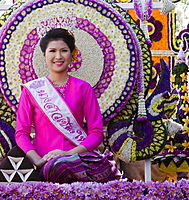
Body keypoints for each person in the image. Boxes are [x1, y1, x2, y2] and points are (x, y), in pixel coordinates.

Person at [15, 28, 121, 183]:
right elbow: (21, 133)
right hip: (48, 162)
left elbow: (96, 132)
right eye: (52, 51)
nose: (58, 56)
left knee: (107, 169)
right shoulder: (32, 90)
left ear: (72, 55)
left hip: (81, 157)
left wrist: (69, 153)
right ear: (44, 55)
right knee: (60, 167)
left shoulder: (83, 88)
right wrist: (36, 160)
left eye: (64, 50)